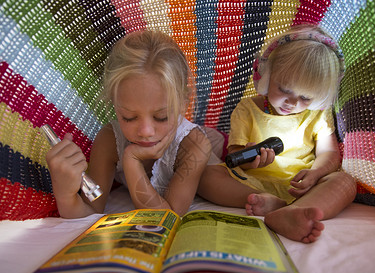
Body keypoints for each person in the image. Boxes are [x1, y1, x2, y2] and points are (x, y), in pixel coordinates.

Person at [198, 24, 357, 243]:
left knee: (345, 181)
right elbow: (235, 154)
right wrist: (251, 161)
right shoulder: (247, 109)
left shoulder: (317, 115)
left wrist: (315, 174)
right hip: (249, 182)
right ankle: (266, 202)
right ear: (267, 75)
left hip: (302, 188)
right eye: (284, 90)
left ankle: (294, 211)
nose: (292, 103)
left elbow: (329, 153)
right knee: (206, 176)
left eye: (306, 98)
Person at [46, 31, 212, 219]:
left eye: (161, 117)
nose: (146, 132)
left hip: (210, 141)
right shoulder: (110, 140)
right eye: (129, 117)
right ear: (115, 106)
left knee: (216, 183)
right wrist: (65, 195)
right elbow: (89, 212)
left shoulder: (195, 144)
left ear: (184, 103)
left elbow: (167, 218)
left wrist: (131, 161)